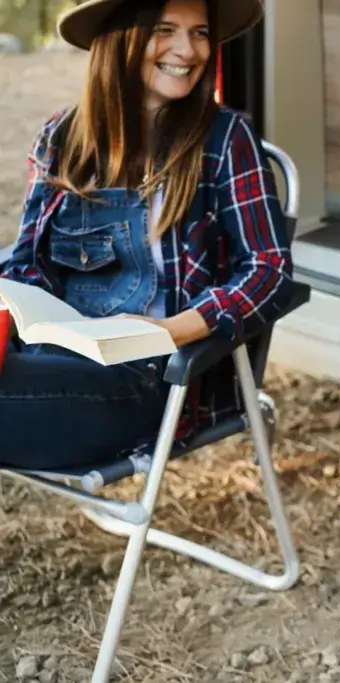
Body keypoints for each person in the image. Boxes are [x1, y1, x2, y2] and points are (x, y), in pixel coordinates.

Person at [0, 0, 292, 470]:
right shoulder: (62, 136)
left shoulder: (223, 139)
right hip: (48, 356)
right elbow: (27, 265)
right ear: (120, 37)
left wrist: (180, 329)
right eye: (165, 29)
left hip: (147, 380)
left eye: (200, 33)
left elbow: (269, 270)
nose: (188, 49)